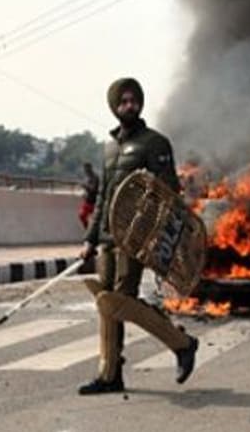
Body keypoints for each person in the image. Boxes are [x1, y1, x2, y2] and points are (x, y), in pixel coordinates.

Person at [78, 78, 199, 395]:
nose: (129, 106)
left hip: (134, 239)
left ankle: (181, 343)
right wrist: (90, 239)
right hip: (106, 239)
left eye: (133, 100)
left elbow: (168, 193)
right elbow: (102, 197)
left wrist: (151, 234)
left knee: (121, 301)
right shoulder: (109, 149)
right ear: (114, 107)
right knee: (106, 303)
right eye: (123, 101)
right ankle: (109, 374)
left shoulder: (155, 143)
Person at [79, 162, 99, 228]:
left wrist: (85, 186)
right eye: (84, 169)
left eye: (86, 169)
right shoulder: (87, 177)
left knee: (95, 220)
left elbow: (93, 189)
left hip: (94, 202)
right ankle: (86, 228)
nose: (85, 171)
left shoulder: (95, 177)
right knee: (82, 215)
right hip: (87, 201)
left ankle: (91, 229)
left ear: (90, 168)